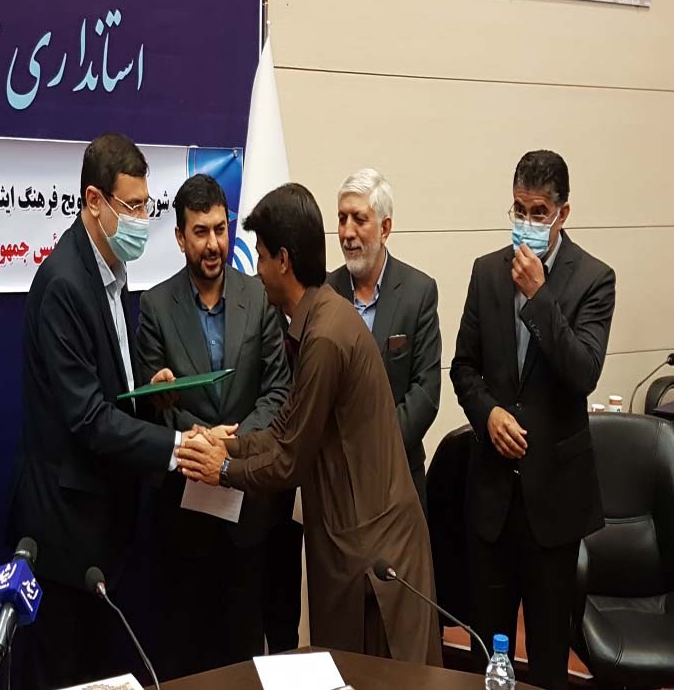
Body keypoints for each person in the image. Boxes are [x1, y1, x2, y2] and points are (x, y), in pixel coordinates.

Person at [177, 183, 441, 666]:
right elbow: (286, 428)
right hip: (351, 541)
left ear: (282, 260)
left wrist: (223, 470)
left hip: (373, 554)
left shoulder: (325, 336)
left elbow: (289, 460)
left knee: (373, 677)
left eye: (260, 258)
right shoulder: (318, 318)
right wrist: (228, 444)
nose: (256, 272)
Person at [7, 133, 196, 690]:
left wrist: (142, 391)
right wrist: (177, 447)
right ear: (94, 201)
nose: (143, 220)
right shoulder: (64, 283)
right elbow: (86, 417)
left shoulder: (112, 273)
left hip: (105, 526)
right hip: (66, 536)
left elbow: (104, 386)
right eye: (132, 207)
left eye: (146, 205)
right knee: (67, 675)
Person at [450, 150, 614, 690]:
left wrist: (539, 295)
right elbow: (463, 367)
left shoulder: (594, 279)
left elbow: (584, 372)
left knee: (546, 660)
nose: (527, 222)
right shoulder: (486, 271)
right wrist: (488, 413)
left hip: (555, 501)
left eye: (538, 212)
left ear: (563, 213)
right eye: (519, 209)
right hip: (492, 498)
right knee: (488, 655)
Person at [135, 174, 291, 679]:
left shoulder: (260, 296)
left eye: (220, 230)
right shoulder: (155, 306)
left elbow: (278, 390)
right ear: (180, 238)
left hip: (248, 514)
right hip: (182, 518)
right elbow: (154, 403)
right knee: (185, 660)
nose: (213, 244)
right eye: (200, 232)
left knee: (243, 658)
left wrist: (234, 443)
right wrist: (203, 440)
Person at [326, 168, 440, 513]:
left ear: (385, 228)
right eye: (342, 219)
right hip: (336, 483)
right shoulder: (324, 294)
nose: (347, 232)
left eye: (359, 219)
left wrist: (375, 448)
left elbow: (425, 392)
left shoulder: (418, 292)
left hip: (398, 477)